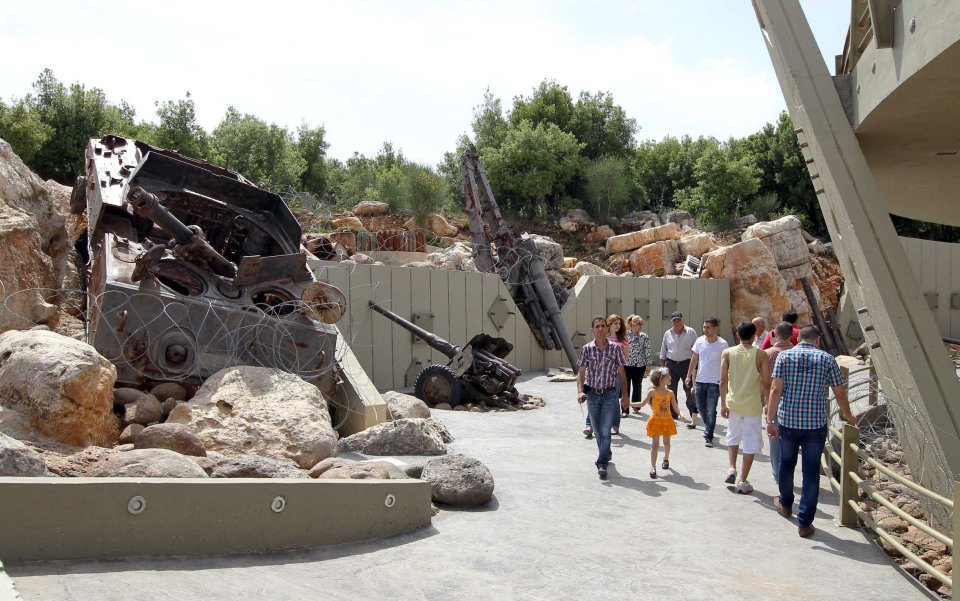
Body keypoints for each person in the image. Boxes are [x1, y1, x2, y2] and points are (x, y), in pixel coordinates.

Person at [767, 325, 856, 538]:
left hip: (788, 421)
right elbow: (839, 392)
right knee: (810, 472)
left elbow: (775, 389)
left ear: (799, 340)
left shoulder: (785, 357)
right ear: (817, 340)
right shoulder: (827, 359)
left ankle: (786, 504)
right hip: (814, 424)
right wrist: (848, 414)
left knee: (786, 464)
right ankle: (805, 523)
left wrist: (770, 419)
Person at [719, 321, 769, 494]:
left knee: (732, 436)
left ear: (738, 335)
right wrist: (768, 403)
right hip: (752, 405)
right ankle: (742, 480)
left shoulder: (727, 353)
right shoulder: (760, 355)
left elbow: (723, 380)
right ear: (754, 335)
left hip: (733, 402)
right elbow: (766, 382)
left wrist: (723, 404)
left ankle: (731, 468)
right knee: (750, 442)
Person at [577, 316, 629, 480]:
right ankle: (606, 452)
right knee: (598, 431)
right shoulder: (587, 349)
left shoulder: (615, 349)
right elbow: (581, 372)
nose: (600, 329)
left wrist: (625, 396)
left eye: (602, 326)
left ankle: (601, 463)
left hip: (609, 394)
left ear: (607, 329)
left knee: (605, 430)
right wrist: (580, 391)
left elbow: (621, 373)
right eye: (597, 326)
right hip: (592, 395)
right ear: (592, 330)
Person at [631, 368, 688, 479]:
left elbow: (675, 407)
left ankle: (666, 458)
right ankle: (653, 467)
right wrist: (629, 403)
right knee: (655, 445)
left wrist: (681, 414)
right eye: (668, 376)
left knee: (666, 443)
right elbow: (642, 404)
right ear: (661, 379)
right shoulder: (652, 392)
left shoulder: (670, 393)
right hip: (656, 421)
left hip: (667, 421)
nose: (670, 377)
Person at [582, 313, 629, 437]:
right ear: (610, 325)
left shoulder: (621, 340)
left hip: (613, 376)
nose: (618, 326)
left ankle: (614, 425)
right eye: (615, 323)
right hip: (594, 379)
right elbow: (582, 369)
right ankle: (589, 425)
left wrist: (625, 394)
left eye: (619, 324)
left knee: (613, 401)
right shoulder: (599, 338)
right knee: (592, 403)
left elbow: (625, 357)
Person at [686, 317, 728, 446]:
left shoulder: (723, 344)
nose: (705, 329)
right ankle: (709, 426)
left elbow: (726, 364)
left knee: (711, 410)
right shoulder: (699, 341)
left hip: (714, 382)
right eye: (704, 327)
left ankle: (709, 434)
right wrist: (688, 376)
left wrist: (725, 380)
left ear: (715, 328)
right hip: (700, 380)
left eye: (708, 327)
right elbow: (694, 360)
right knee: (700, 408)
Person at [763, 321, 795, 483]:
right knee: (790, 441)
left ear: (774, 334)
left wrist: (766, 404)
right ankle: (788, 472)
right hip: (793, 403)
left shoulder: (768, 354)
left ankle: (778, 474)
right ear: (792, 335)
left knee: (774, 438)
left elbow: (765, 383)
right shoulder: (797, 354)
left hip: (772, 402)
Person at [659, 311, 697, 421]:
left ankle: (692, 412)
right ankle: (673, 413)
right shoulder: (668, 333)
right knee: (671, 390)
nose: (677, 322)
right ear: (671, 322)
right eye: (674, 320)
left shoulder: (690, 332)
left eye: (679, 320)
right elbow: (663, 351)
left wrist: (695, 367)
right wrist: (663, 369)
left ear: (682, 320)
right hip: (671, 364)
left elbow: (697, 350)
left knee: (689, 389)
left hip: (687, 364)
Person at [625, 314, 651, 415]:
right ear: (631, 324)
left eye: (641, 324)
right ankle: (625, 409)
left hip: (639, 366)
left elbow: (647, 351)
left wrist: (648, 364)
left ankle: (636, 407)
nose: (640, 326)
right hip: (626, 365)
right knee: (625, 387)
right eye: (638, 324)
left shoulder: (644, 336)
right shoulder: (625, 335)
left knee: (637, 386)